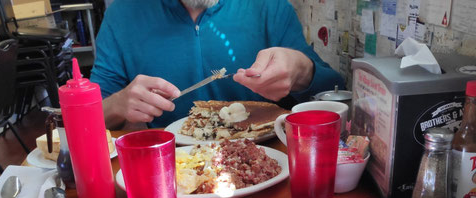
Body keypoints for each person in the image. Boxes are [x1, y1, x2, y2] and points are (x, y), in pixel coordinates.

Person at [90, 0, 345, 129]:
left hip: (268, 171)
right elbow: (86, 117)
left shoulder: (269, 7)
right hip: (170, 177)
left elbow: (335, 92)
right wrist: (118, 104)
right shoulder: (122, 15)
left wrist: (301, 70)